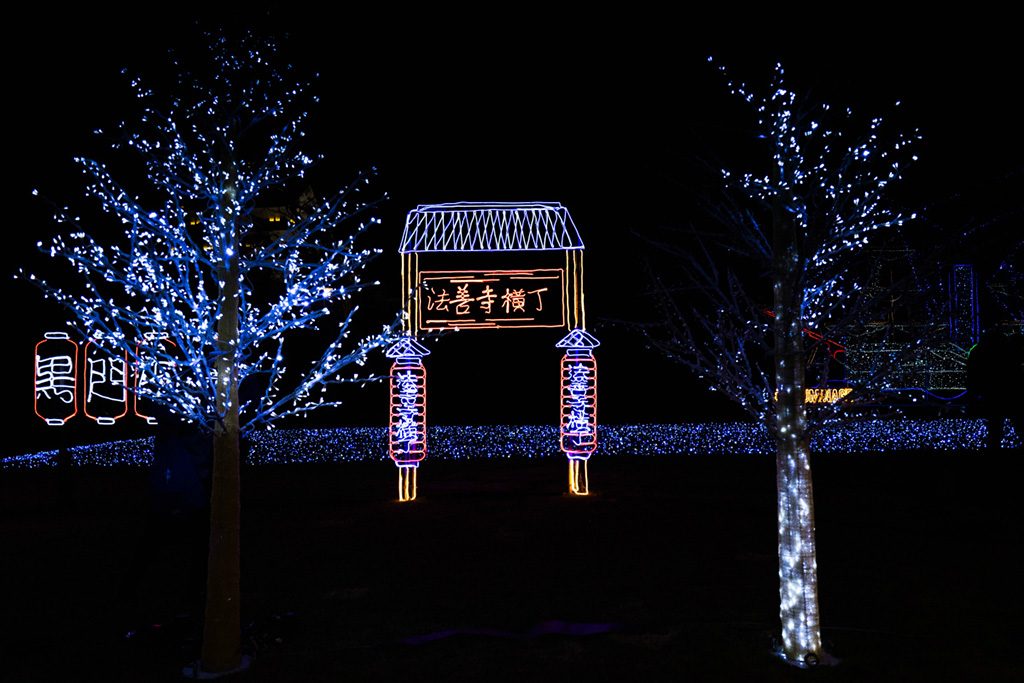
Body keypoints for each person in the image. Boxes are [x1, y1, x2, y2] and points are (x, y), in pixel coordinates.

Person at [966, 328, 1024, 452]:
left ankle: (994, 451)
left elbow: (972, 374)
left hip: (991, 393)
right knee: (1014, 422)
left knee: (995, 426)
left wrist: (975, 391)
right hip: (1007, 392)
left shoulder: (978, 350)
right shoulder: (1007, 350)